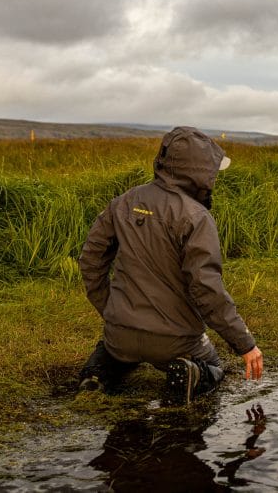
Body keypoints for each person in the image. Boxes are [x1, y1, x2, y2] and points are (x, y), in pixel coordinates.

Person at [78, 126, 265, 403]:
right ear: (198, 171)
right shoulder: (196, 217)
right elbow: (206, 289)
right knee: (213, 366)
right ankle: (191, 373)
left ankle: (96, 375)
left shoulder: (123, 202)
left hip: (120, 334)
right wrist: (245, 344)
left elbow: (90, 261)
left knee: (115, 349)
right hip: (177, 341)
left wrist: (111, 310)